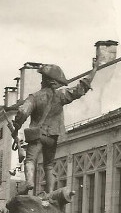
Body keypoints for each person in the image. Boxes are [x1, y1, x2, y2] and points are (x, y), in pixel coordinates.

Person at [12, 64, 93, 195]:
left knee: (30, 160)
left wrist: (17, 126)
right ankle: (49, 194)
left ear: (45, 80)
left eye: (42, 78)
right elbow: (80, 90)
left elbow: (22, 111)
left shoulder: (35, 97)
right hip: (53, 137)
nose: (41, 81)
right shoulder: (61, 96)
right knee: (48, 165)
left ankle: (29, 182)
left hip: (37, 135)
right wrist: (93, 71)